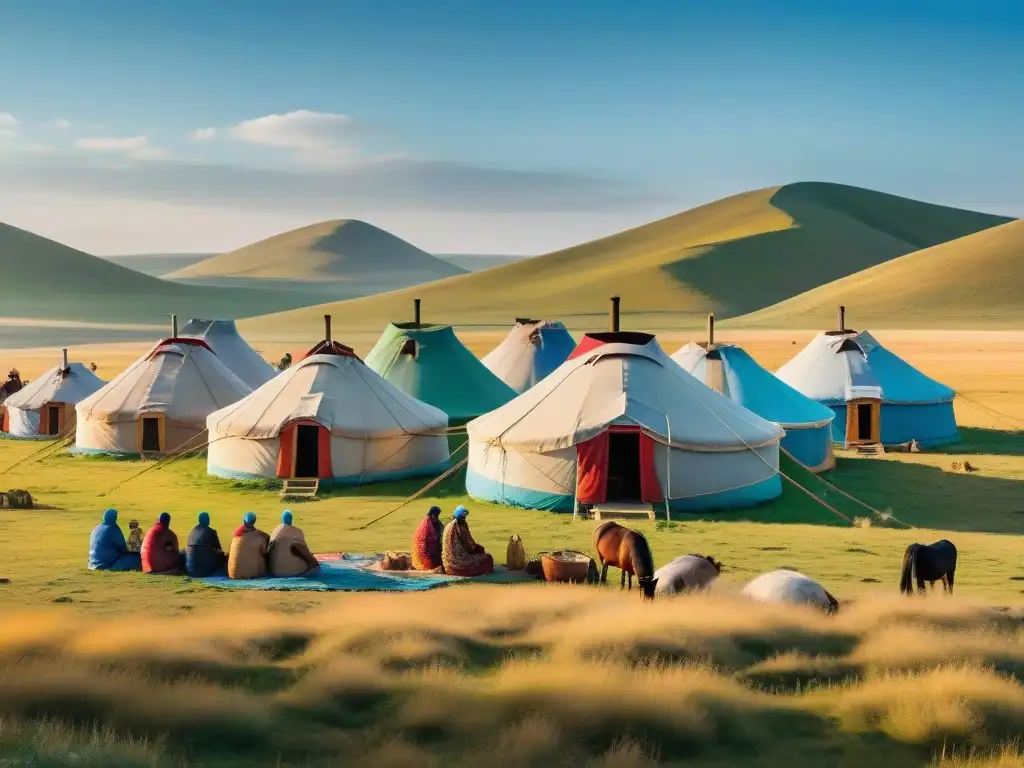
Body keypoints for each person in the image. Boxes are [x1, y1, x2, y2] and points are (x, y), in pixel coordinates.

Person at [441, 505, 494, 577]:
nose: (464, 518)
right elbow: (466, 544)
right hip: (458, 560)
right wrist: (476, 549)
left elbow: (469, 540)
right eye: (463, 517)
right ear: (459, 517)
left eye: (464, 517)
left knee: (482, 553)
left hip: (449, 561)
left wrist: (475, 547)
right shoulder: (456, 528)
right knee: (488, 557)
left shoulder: (452, 525)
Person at [267, 510, 320, 577]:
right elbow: (305, 552)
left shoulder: (275, 531)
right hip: (295, 572)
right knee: (314, 564)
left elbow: (269, 550)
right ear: (291, 520)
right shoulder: (297, 532)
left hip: (275, 572)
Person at [228, 511, 270, 580]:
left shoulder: (236, 535)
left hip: (233, 575)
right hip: (253, 575)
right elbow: (265, 553)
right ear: (254, 521)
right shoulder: (261, 536)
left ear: (244, 520)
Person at [185, 512, 227, 577]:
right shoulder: (211, 532)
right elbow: (219, 550)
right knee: (223, 557)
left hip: (190, 569)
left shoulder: (192, 532)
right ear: (208, 520)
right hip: (204, 570)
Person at [411, 505, 445, 572]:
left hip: (437, 550)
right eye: (435, 516)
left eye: (437, 516)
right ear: (431, 515)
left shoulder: (439, 524)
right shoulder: (425, 526)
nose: (436, 518)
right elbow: (421, 542)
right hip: (427, 553)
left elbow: (443, 533)